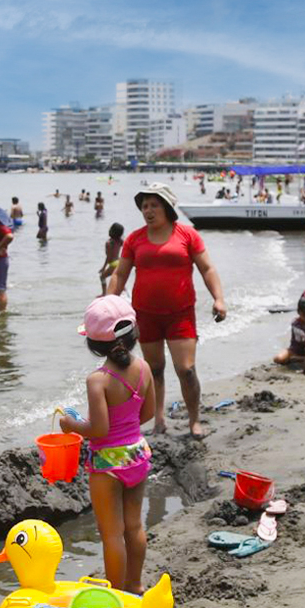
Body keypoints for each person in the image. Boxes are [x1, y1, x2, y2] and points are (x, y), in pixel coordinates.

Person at [107, 184, 226, 438]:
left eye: (154, 205)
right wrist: (108, 305)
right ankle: (158, 419)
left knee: (186, 369)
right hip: (145, 314)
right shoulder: (134, 239)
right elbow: (120, 274)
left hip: (180, 314)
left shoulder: (187, 235)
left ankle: (194, 420)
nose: (148, 211)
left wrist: (219, 299)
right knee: (155, 368)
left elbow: (207, 269)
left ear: (168, 208)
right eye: (144, 206)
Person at [58, 296, 154, 594]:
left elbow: (99, 429)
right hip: (137, 455)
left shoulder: (97, 380)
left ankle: (115, 595)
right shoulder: (144, 368)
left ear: (93, 345)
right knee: (134, 527)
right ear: (134, 336)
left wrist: (70, 426)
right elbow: (147, 414)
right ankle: (135, 586)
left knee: (112, 535)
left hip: (108, 464)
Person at [275, 291, 305, 361]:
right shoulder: (296, 324)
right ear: (299, 312)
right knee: (278, 358)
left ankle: (301, 359)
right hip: (295, 351)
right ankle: (301, 358)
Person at [99, 223, 125, 296]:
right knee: (118, 279)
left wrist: (103, 267)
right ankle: (124, 292)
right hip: (119, 262)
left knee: (102, 277)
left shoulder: (109, 243)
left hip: (113, 264)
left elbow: (108, 257)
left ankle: (104, 293)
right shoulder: (120, 241)